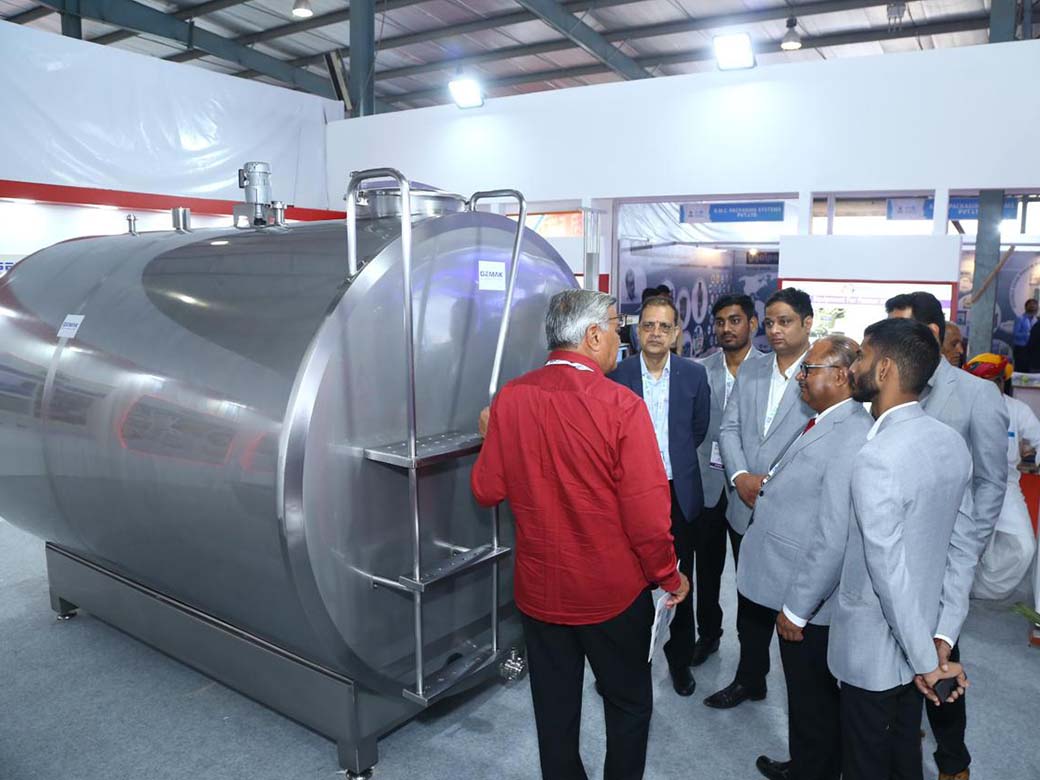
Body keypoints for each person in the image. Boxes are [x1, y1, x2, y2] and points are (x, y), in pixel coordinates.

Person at [471, 289, 689, 780]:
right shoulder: (622, 405)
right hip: (610, 594)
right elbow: (647, 515)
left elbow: (486, 490)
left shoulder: (511, 397)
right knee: (628, 704)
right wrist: (669, 576)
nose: (621, 338)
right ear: (593, 335)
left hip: (540, 591)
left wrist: (493, 436)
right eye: (616, 327)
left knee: (554, 710)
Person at [829, 317, 971, 780]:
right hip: (925, 634)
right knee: (903, 756)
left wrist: (927, 662)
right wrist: (942, 637)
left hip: (875, 649)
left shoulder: (877, 457)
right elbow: (963, 548)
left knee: (866, 762)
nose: (853, 367)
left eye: (862, 356)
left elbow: (887, 572)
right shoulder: (951, 442)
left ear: (885, 369)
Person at [885, 292, 1008, 780]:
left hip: (945, 558)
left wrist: (967, 550)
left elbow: (991, 482)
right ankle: (902, 735)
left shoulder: (977, 395)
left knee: (941, 656)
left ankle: (953, 760)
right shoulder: (887, 383)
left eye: (901, 328)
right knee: (891, 649)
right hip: (890, 548)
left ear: (933, 334)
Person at [738, 335, 872, 780]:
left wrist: (797, 609)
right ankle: (810, 763)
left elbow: (833, 536)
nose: (800, 376)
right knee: (805, 691)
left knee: (812, 693)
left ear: (841, 375)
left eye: (809, 369)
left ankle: (813, 770)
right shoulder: (824, 420)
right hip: (791, 581)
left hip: (808, 595)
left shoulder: (849, 434)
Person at [707, 287, 814, 709]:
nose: (775, 330)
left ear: (807, 323)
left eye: (785, 321)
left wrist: (773, 483)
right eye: (770, 322)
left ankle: (806, 703)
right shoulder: (753, 369)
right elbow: (729, 428)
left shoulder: (823, 372)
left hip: (795, 513)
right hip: (745, 504)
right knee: (749, 597)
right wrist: (739, 477)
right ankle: (751, 678)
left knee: (795, 605)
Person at [609, 294, 710, 697]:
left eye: (664, 326)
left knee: (679, 582)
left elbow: (697, 430)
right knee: (627, 585)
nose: (655, 333)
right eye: (648, 325)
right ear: (637, 331)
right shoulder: (616, 375)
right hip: (627, 496)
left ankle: (679, 662)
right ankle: (623, 664)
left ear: (676, 332)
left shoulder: (693, 375)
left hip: (676, 494)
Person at [692, 294, 766, 667]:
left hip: (748, 488)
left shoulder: (769, 371)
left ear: (752, 324)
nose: (726, 328)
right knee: (706, 572)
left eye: (734, 320)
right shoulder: (700, 370)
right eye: (720, 322)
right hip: (707, 486)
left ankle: (750, 651)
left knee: (749, 574)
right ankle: (708, 635)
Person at [963, 354, 1040, 600]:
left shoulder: (1018, 409)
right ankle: (954, 586)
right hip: (966, 485)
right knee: (961, 543)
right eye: (985, 381)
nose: (992, 386)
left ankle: (978, 588)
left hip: (1006, 487)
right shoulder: (963, 407)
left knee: (1024, 547)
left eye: (996, 380)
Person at [1012, 298, 1038, 371]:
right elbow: (1015, 334)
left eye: (1035, 305)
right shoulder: (1020, 318)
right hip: (1020, 348)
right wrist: (1028, 335)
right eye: (1031, 304)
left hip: (1031, 350)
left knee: (1028, 370)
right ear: (1026, 306)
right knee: (1019, 369)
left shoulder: (1036, 320)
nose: (1033, 306)